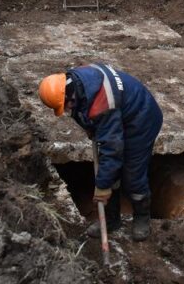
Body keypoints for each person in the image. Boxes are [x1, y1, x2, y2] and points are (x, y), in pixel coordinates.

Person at [38, 64, 163, 242]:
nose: (65, 110)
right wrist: (91, 128)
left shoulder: (101, 104)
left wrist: (103, 186)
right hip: (119, 114)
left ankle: (142, 218)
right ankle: (111, 221)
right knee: (110, 171)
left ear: (68, 95)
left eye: (65, 106)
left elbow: (113, 150)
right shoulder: (74, 82)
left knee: (132, 174)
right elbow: (80, 111)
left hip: (141, 119)